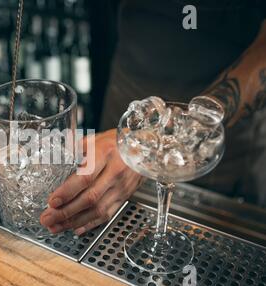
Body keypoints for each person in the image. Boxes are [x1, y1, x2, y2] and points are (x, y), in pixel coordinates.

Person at [40, 0, 266, 235]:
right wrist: (132, 141)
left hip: (220, 137)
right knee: (107, 219)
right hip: (127, 100)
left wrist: (149, 144)